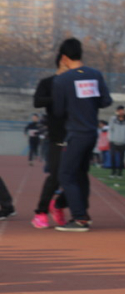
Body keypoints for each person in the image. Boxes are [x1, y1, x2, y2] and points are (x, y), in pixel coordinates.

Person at [53, 38, 112, 232]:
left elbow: (58, 111)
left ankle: (79, 218)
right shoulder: (95, 75)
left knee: (66, 174)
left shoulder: (62, 80)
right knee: (80, 174)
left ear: (64, 57)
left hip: (75, 133)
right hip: (91, 132)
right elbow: (106, 101)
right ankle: (83, 214)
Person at [31, 55, 69, 229]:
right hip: (56, 137)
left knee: (78, 179)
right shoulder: (48, 83)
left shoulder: (77, 82)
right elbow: (37, 101)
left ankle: (59, 204)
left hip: (77, 136)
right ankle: (41, 212)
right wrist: (56, 97)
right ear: (63, 61)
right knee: (55, 176)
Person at [108, 106, 125, 178]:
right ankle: (113, 171)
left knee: (122, 158)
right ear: (117, 111)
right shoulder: (113, 119)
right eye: (119, 111)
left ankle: (120, 172)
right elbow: (110, 129)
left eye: (122, 110)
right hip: (114, 141)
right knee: (112, 157)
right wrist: (110, 139)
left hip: (124, 142)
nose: (121, 112)